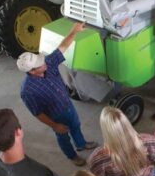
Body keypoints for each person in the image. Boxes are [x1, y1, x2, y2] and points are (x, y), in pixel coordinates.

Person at [17, 22, 97, 166]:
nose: (44, 62)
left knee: (75, 125)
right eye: (40, 64)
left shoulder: (47, 63)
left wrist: (74, 31)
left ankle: (81, 144)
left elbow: (62, 47)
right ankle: (72, 156)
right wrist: (54, 125)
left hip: (68, 105)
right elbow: (37, 113)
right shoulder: (28, 91)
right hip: (55, 115)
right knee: (62, 136)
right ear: (32, 71)